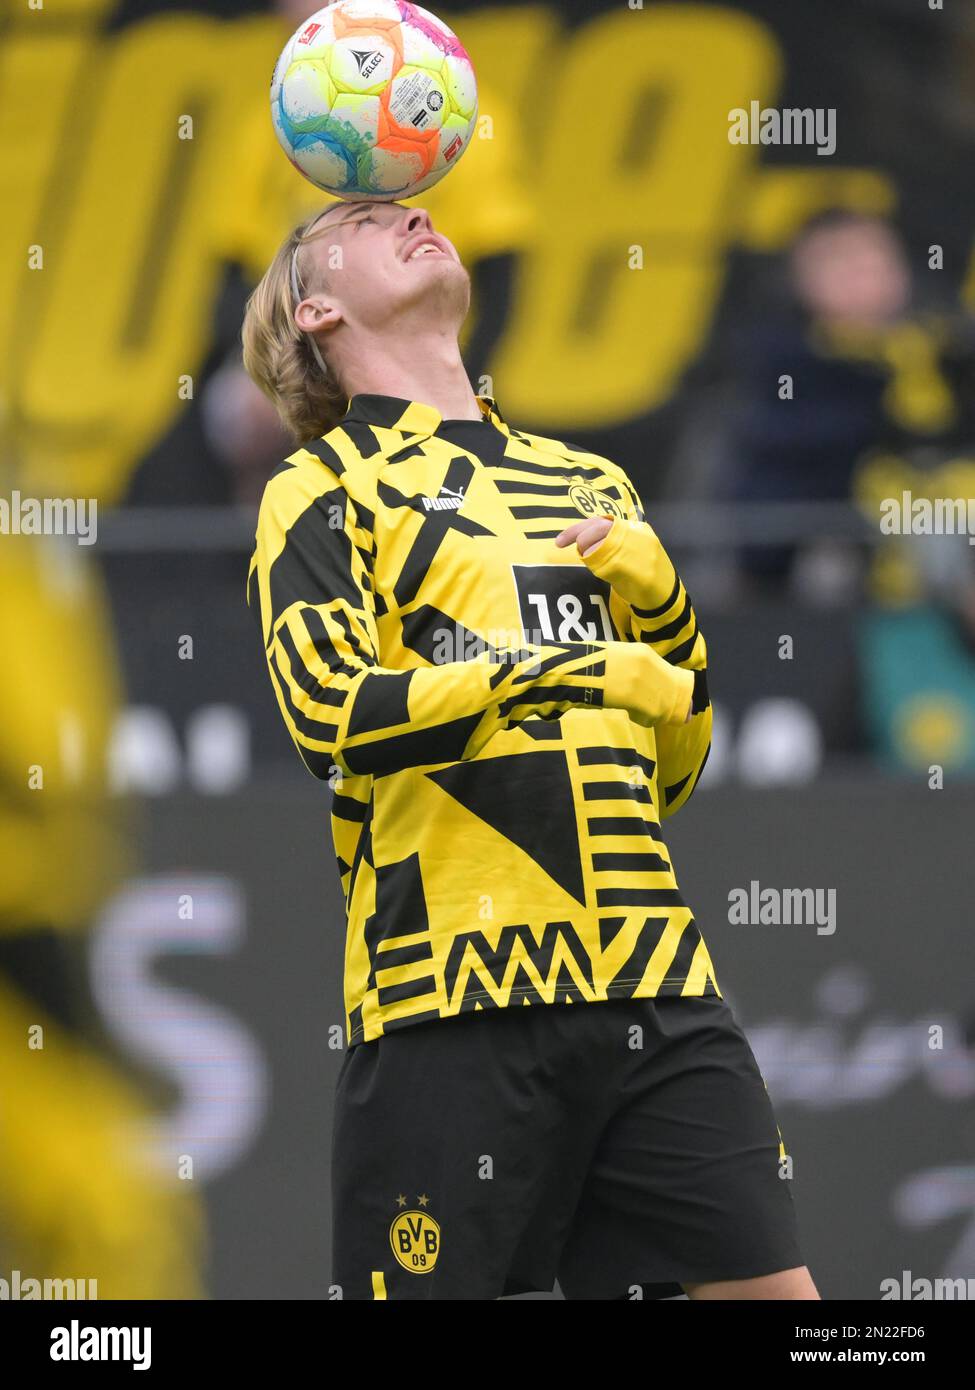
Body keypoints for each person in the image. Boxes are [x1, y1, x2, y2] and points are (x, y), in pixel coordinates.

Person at [241, 199, 819, 1301]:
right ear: (315, 310)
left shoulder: (590, 480)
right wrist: (563, 670)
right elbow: (330, 714)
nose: (416, 213)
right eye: (367, 218)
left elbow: (670, 771)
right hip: (448, 998)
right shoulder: (317, 488)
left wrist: (668, 613)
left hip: (654, 981)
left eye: (412, 206)